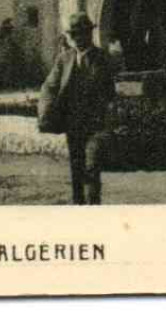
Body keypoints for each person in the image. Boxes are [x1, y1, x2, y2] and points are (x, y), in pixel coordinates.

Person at [37, 12, 116, 205]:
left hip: (95, 124)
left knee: (91, 166)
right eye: (74, 34)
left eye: (82, 33)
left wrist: (109, 117)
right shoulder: (65, 59)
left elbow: (111, 91)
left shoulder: (102, 58)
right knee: (76, 170)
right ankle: (78, 208)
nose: (78, 38)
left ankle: (93, 208)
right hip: (73, 124)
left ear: (89, 34)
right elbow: (50, 85)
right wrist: (45, 111)